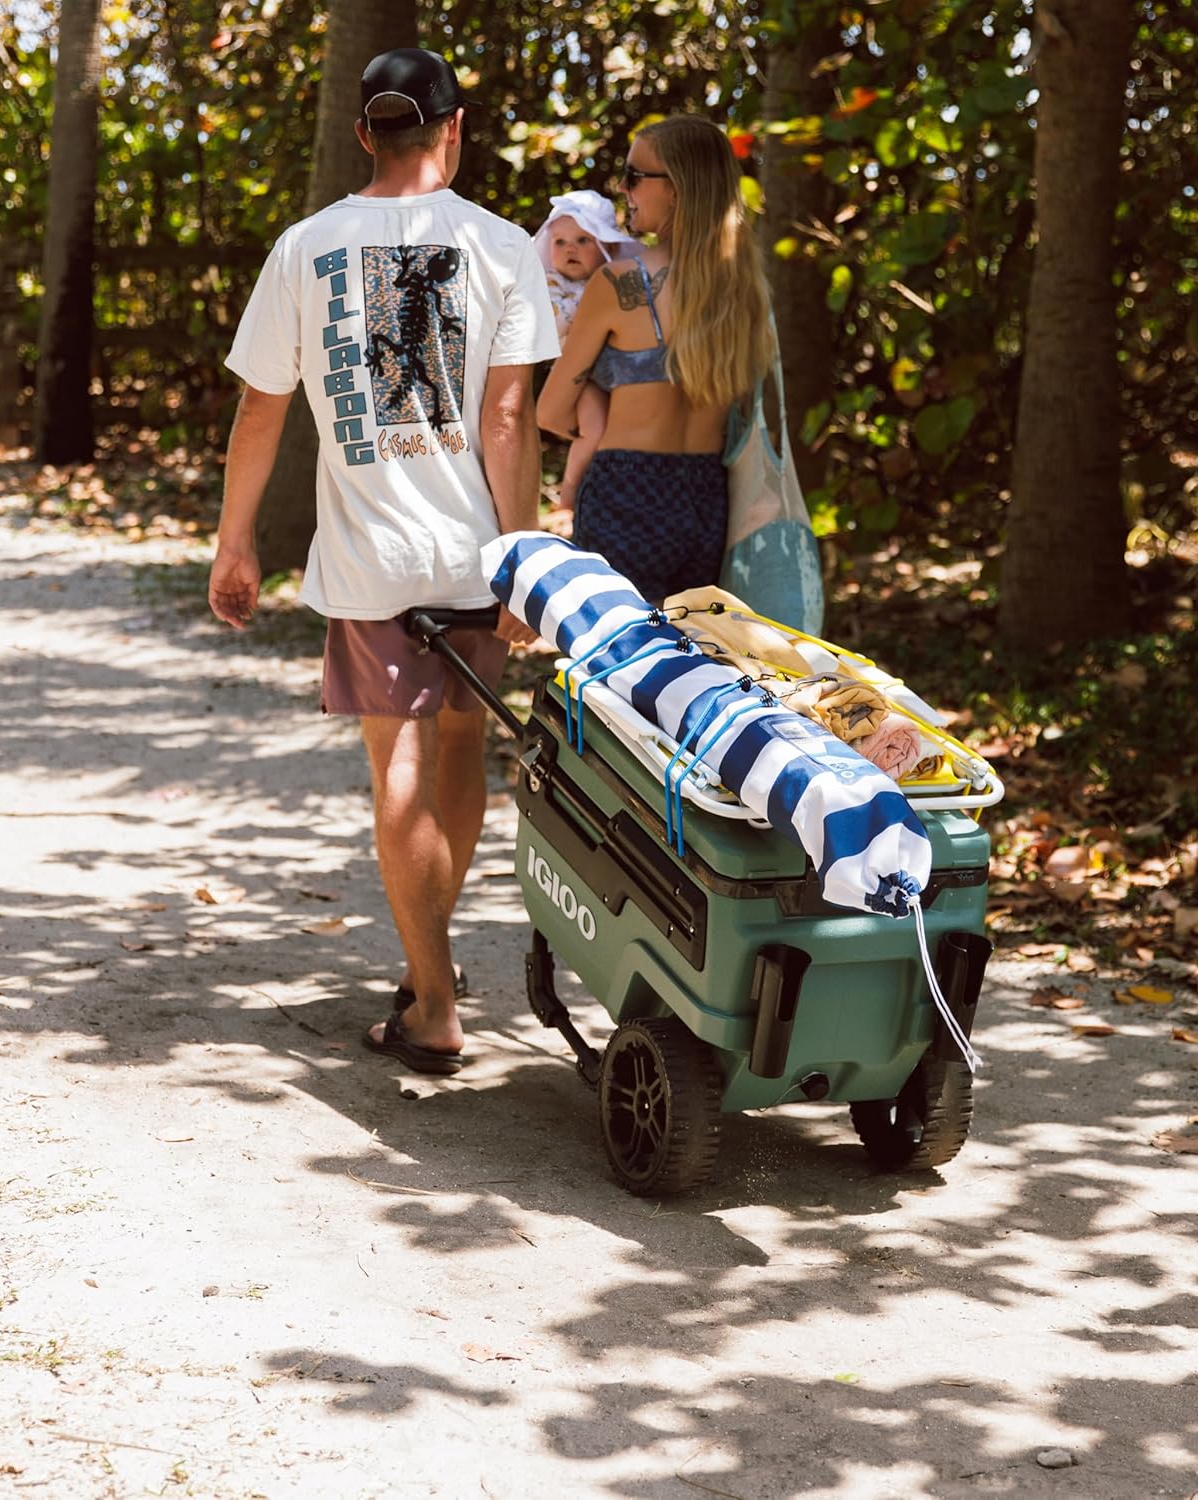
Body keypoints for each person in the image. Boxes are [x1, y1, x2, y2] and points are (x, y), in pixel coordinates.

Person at [208, 47, 559, 1075]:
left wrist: (236, 538)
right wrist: (524, 559)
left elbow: (260, 408)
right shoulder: (502, 246)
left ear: (364, 133)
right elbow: (509, 419)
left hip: (373, 561)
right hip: (474, 553)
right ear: (455, 128)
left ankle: (433, 998)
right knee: (460, 748)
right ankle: (426, 967)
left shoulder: (304, 247)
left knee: (397, 762)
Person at [537, 116, 775, 603]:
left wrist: (597, 412)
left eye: (634, 176)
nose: (623, 188)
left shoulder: (620, 282)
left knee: (618, 645)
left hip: (625, 492)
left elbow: (550, 412)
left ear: (676, 188)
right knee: (692, 643)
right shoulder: (744, 288)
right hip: (709, 496)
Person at [531, 190, 638, 512]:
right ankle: (568, 497)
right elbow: (556, 322)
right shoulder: (552, 285)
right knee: (594, 429)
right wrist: (595, 298)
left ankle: (607, 489)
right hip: (580, 374)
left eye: (582, 240)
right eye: (560, 242)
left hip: (618, 369)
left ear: (609, 248)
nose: (570, 249)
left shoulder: (620, 282)